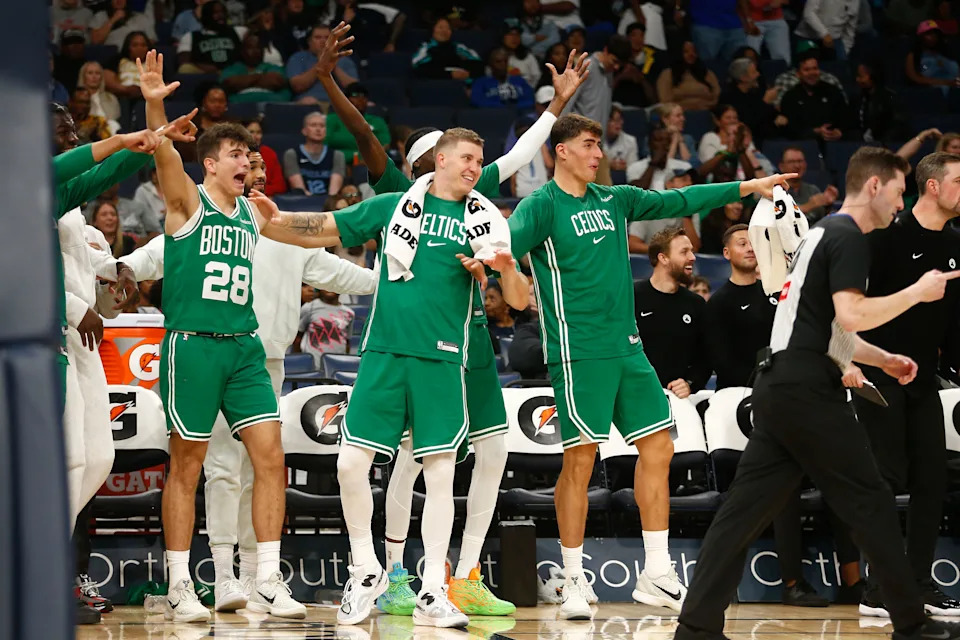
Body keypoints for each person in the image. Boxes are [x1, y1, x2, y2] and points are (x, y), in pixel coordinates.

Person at [315, 23, 588, 619]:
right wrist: (328, 80)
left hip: (469, 347)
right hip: (415, 345)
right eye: (450, 158)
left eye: (470, 161)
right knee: (409, 461)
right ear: (425, 165)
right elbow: (362, 130)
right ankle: (391, 572)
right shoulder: (396, 192)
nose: (471, 169)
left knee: (486, 455)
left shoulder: (472, 198)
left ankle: (460, 574)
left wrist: (557, 104)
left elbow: (515, 156)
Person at [506, 112, 795, 620]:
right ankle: (573, 578)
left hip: (627, 347)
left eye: (599, 144)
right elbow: (500, 249)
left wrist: (749, 184)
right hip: (578, 350)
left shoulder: (613, 200)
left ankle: (656, 572)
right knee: (580, 458)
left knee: (659, 446)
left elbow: (680, 201)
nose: (600, 154)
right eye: (590, 145)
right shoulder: (540, 206)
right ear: (563, 151)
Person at [673, 146, 960, 640]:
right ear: (874, 186)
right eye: (895, 192)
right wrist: (917, 291)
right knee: (870, 498)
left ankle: (696, 627)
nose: (899, 204)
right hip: (806, 389)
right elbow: (850, 316)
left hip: (779, 385)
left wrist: (883, 359)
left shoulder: (823, 234)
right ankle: (910, 622)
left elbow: (828, 329)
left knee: (742, 512)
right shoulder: (847, 237)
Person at [250, 127, 529, 628]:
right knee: (350, 466)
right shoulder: (395, 206)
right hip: (383, 354)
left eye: (479, 160)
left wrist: (503, 269)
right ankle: (365, 571)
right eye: (467, 158)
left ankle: (433, 592)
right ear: (439, 160)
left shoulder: (488, 224)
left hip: (443, 358)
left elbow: (517, 301)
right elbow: (329, 227)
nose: (475, 167)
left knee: (442, 474)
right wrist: (278, 221)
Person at [137, 48, 345, 622]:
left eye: (249, 155)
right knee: (188, 463)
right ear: (209, 164)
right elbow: (163, 161)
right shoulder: (186, 207)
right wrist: (156, 103)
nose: (247, 161)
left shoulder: (257, 212)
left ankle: (267, 580)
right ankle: (181, 583)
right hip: (194, 345)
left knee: (270, 460)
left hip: (245, 348)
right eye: (235, 154)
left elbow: (320, 232)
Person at [122, 146, 376, 612]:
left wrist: (394, 277)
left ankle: (260, 575)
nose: (252, 172)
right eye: (246, 164)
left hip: (261, 359)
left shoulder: (280, 228)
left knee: (262, 469)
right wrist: (122, 268)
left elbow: (342, 274)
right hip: (205, 350)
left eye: (258, 165)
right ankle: (221, 579)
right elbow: (160, 251)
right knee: (220, 472)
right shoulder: (207, 217)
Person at [851, 152, 960, 619]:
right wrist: (849, 363)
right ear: (933, 187)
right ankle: (879, 587)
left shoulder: (956, 242)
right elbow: (847, 308)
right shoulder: (885, 240)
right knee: (885, 479)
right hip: (878, 373)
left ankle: (918, 582)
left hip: (923, 381)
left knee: (933, 479)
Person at [634, 227, 711, 397]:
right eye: (684, 252)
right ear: (663, 258)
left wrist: (690, 383)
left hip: (678, 397)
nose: (693, 257)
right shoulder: (631, 297)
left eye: (691, 251)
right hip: (634, 396)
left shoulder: (696, 304)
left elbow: (706, 356)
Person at [703, 224, 777, 389]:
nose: (750, 249)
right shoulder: (718, 303)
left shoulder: (774, 293)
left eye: (754, 243)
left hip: (776, 389)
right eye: (742, 244)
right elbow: (721, 361)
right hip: (736, 392)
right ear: (726, 253)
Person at [562, 34, 630, 127]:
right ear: (606, 50)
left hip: (598, 136)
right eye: (614, 61)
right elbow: (567, 102)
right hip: (579, 134)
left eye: (620, 64)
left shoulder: (610, 71)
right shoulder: (586, 67)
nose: (616, 67)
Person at [780, 53, 851, 141]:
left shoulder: (832, 91)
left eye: (815, 68)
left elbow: (846, 118)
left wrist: (839, 131)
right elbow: (790, 129)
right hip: (804, 144)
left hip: (834, 142)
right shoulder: (790, 97)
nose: (812, 73)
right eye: (807, 69)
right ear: (798, 74)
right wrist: (815, 132)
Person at [286, 24, 359, 105]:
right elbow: (297, 86)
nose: (323, 41)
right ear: (309, 41)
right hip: (308, 104)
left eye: (327, 37)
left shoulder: (344, 59)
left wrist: (332, 63)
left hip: (339, 105)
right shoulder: (298, 58)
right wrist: (321, 63)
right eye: (318, 37)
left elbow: (355, 88)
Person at [325, 83, 391, 165]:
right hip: (337, 162)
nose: (361, 99)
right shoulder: (332, 119)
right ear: (345, 99)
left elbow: (385, 144)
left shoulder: (377, 121)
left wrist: (367, 159)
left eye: (364, 96)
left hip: (371, 164)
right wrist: (356, 157)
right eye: (355, 95)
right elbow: (325, 144)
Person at [283, 112, 346, 196]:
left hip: (329, 203)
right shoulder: (291, 154)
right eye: (313, 125)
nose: (318, 129)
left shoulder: (337, 155)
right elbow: (300, 190)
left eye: (322, 126)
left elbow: (333, 193)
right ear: (304, 131)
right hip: (301, 201)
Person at [719, 57, 777, 147]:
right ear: (743, 78)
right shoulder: (728, 98)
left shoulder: (756, 92)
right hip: (743, 141)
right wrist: (765, 102)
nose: (758, 74)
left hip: (765, 137)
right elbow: (747, 123)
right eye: (754, 72)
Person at [220, 32, 291, 103]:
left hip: (274, 107)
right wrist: (262, 78)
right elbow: (229, 83)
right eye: (251, 47)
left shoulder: (272, 67)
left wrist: (243, 81)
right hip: (239, 108)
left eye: (259, 47)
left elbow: (275, 81)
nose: (256, 51)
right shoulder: (233, 68)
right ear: (242, 52)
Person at [176, 0, 243, 74]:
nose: (221, 15)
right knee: (185, 68)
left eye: (222, 12)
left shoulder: (238, 31)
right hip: (204, 73)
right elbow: (184, 61)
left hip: (233, 73)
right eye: (216, 13)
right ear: (206, 15)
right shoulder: (190, 36)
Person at [411, 17, 483, 81]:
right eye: (440, 27)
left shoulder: (458, 47)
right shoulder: (425, 48)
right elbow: (418, 68)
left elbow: (478, 64)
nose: (444, 31)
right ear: (432, 30)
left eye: (448, 28)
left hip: (464, 84)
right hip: (439, 85)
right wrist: (449, 74)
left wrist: (468, 73)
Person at [655, 41, 721, 112]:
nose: (691, 54)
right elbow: (665, 100)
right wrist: (684, 107)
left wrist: (703, 106)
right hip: (678, 113)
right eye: (686, 52)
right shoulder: (667, 74)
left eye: (694, 51)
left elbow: (716, 96)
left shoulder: (708, 74)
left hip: (706, 112)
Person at [779, 147, 838, 224]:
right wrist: (808, 206)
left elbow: (824, 220)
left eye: (800, 161)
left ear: (805, 165)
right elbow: (777, 216)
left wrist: (827, 204)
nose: (797, 166)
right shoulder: (775, 191)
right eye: (791, 162)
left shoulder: (813, 190)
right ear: (781, 166)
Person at [297, 289, 356, 366]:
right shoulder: (309, 308)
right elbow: (298, 337)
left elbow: (347, 341)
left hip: (337, 363)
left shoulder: (349, 313)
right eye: (326, 283)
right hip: (313, 363)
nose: (329, 288)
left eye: (333, 284)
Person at [84, 182, 161, 238]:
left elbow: (157, 233)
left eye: (109, 181)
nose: (104, 187)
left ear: (117, 183)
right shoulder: (87, 212)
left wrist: (145, 242)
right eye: (101, 183)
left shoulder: (138, 207)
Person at [794, 0, 860, 61]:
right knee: (807, 67)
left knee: (840, 66)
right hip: (808, 36)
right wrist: (824, 34)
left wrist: (845, 50)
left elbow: (850, 29)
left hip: (834, 39)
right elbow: (808, 13)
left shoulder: (856, 2)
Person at [905, 20, 960, 93]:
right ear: (921, 36)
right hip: (929, 89)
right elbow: (915, 76)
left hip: (951, 83)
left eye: (935, 34)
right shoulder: (914, 54)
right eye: (929, 34)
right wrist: (943, 82)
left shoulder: (943, 51)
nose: (933, 37)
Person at [471, 47, 535, 109]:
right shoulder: (481, 82)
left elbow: (531, 100)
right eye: (498, 62)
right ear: (490, 64)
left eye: (505, 61)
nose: (503, 64)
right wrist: (502, 107)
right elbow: (477, 102)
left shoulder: (519, 80)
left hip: (520, 115)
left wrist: (513, 107)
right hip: (494, 116)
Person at [103, 30, 150, 101]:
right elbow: (108, 81)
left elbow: (166, 85)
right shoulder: (117, 60)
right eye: (135, 45)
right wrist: (126, 89)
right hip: (120, 98)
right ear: (128, 47)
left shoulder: (155, 62)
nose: (139, 48)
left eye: (143, 45)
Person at [244, 119, 287, 196]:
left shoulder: (269, 153)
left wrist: (259, 191)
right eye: (251, 132)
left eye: (258, 132)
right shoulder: (236, 155)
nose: (255, 136)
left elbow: (280, 186)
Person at [89, 0, 156, 48]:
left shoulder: (141, 18)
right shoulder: (100, 16)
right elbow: (95, 41)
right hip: (110, 59)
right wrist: (113, 20)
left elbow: (151, 42)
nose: (119, 0)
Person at [77, 62, 120, 134]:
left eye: (97, 73)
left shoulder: (111, 98)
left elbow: (115, 121)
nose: (94, 77)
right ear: (83, 76)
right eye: (90, 73)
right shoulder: (78, 98)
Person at [502, 19, 541, 90]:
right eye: (510, 34)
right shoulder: (496, 56)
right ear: (502, 36)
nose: (514, 38)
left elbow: (537, 77)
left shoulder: (528, 56)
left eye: (517, 34)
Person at [605, 106, 640, 174]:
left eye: (619, 120)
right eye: (613, 120)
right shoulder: (595, 139)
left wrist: (626, 167)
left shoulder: (630, 141)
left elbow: (634, 168)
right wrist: (609, 165)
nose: (618, 123)